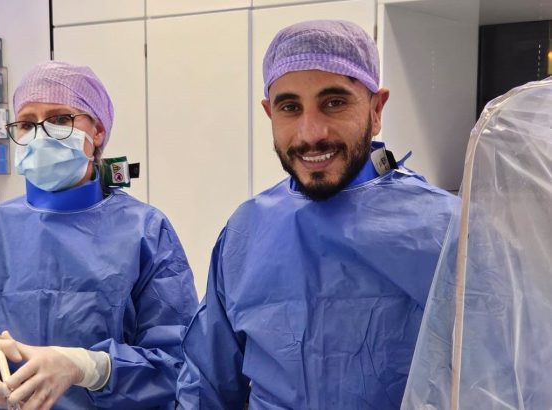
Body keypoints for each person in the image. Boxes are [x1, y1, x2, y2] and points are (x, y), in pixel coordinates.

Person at [176, 20, 460, 409]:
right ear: (269, 113)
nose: (311, 133)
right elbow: (206, 388)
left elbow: (495, 382)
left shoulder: (449, 231)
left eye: (334, 102)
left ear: (376, 109)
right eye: (290, 107)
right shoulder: (246, 232)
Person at [0, 61, 198, 410]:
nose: (41, 135)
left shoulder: (146, 231)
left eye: (60, 119)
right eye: (26, 124)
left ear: (98, 131)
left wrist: (90, 368)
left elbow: (181, 364)